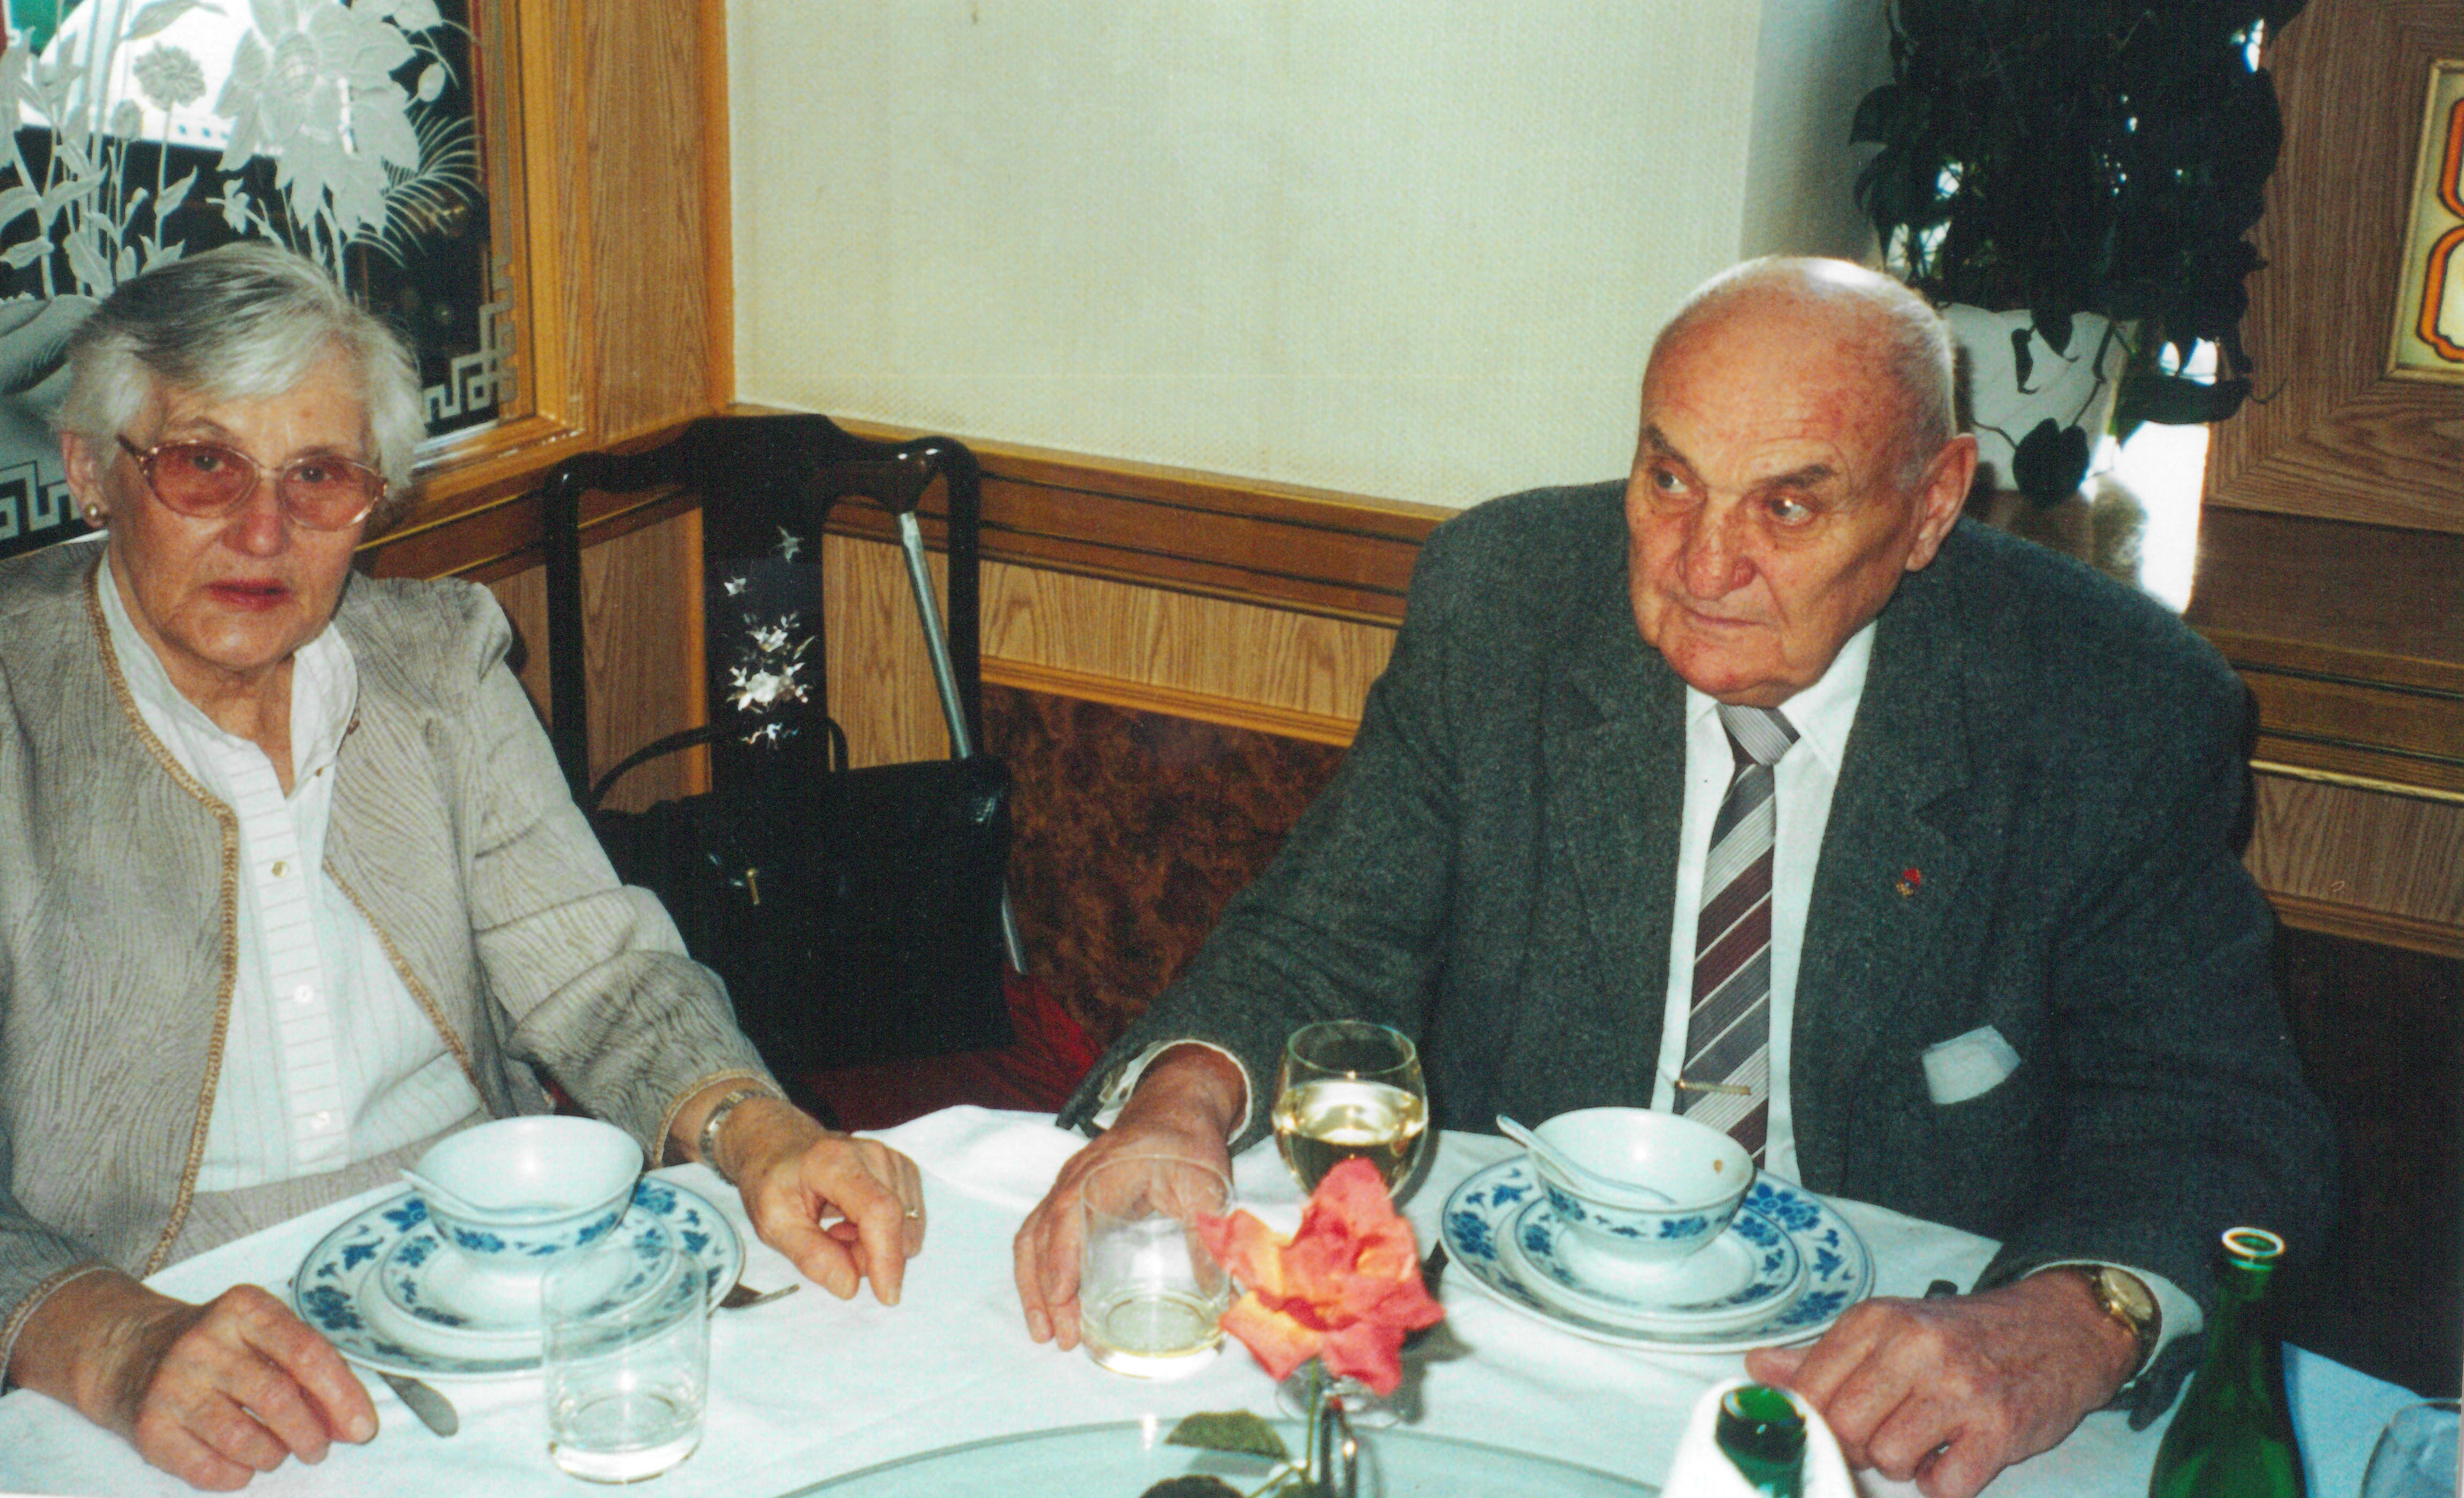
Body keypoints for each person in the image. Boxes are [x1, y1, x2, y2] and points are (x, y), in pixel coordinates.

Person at [1012, 258, 2334, 1498]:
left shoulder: (2106, 702)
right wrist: (1179, 1104)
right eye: (1670, 481)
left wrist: (2071, 1318)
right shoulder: (1506, 604)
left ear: (1933, 504)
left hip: (1884, 1390)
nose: (1705, 566)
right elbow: (1322, 939)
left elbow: (2215, 1111)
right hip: (1506, 1345)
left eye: (1789, 505)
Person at [0, 243, 926, 1490]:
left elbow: (599, 976)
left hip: (493, 1290)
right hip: (154, 1335)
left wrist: (749, 1126)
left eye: (317, 476)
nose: (263, 531)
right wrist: (107, 1339)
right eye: (204, 465)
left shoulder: (435, 664)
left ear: (371, 500)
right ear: (91, 470)